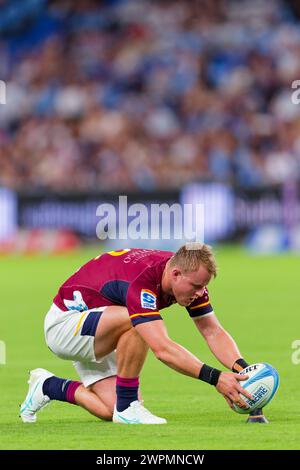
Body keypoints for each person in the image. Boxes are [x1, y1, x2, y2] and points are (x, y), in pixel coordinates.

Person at [20, 244, 267, 424]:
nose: (200, 293)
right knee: (136, 322)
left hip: (102, 323)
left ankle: (48, 386)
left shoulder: (183, 273)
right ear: (175, 274)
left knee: (109, 410)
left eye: (204, 287)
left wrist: (244, 372)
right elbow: (162, 348)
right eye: (196, 286)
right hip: (65, 326)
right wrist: (215, 378)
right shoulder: (142, 283)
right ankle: (129, 407)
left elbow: (212, 331)